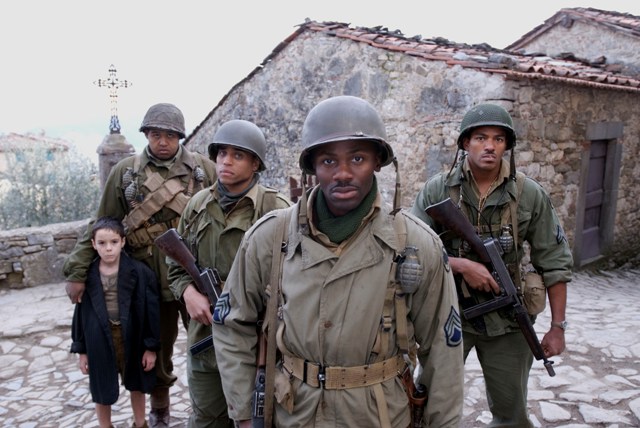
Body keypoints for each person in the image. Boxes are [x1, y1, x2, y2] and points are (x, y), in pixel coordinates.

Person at [212, 95, 464, 427]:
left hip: (379, 417)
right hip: (294, 413)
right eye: (329, 161)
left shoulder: (416, 243)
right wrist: (245, 414)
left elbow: (443, 352)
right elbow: (232, 323)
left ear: (377, 161)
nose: (343, 173)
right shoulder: (271, 237)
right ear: (312, 167)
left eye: (357, 158)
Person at [410, 103, 573, 427]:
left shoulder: (528, 194)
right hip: (448, 314)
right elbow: (412, 247)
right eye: (481, 137)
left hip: (508, 323)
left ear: (506, 146)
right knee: (429, 405)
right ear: (465, 143)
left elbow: (554, 261)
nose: (489, 146)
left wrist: (558, 327)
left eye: (499, 139)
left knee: (511, 413)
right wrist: (460, 265)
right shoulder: (438, 190)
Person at [63, 103, 217, 427]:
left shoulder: (203, 169)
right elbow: (103, 222)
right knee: (155, 349)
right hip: (147, 279)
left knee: (211, 343)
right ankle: (159, 410)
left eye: (170, 135)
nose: (163, 141)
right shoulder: (126, 172)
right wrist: (77, 271)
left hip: (193, 274)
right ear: (146, 134)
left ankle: (215, 405)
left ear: (180, 137)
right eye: (156, 134)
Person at [167, 119, 291, 427]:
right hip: (205, 337)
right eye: (222, 153)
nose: (226, 161)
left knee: (261, 417)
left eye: (238, 155)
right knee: (208, 417)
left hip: (260, 341)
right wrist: (188, 293)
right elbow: (175, 267)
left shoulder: (277, 209)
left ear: (255, 164)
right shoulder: (197, 206)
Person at [70, 216, 160, 428]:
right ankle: (105, 425)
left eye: (113, 242)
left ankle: (140, 423)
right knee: (101, 386)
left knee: (137, 382)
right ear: (93, 245)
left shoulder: (140, 272)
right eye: (102, 243)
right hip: (99, 337)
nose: (108, 249)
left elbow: (151, 312)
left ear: (123, 242)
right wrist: (82, 350)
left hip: (133, 335)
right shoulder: (88, 275)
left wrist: (151, 347)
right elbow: (80, 315)